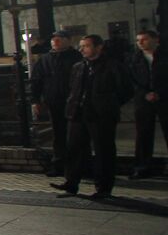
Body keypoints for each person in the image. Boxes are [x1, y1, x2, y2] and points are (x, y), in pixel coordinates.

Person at [53, 34, 134, 200]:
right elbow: (73, 88)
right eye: (81, 46)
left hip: (101, 115)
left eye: (86, 46)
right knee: (74, 148)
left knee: (103, 150)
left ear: (98, 47)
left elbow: (125, 89)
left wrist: (109, 103)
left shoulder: (112, 66)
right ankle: (71, 183)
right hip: (78, 113)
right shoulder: (78, 66)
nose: (82, 49)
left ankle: (103, 187)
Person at [30, 29, 79, 177]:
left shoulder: (76, 57)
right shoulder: (46, 59)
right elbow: (36, 80)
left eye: (59, 39)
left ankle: (78, 165)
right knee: (58, 133)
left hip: (73, 101)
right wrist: (36, 100)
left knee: (76, 134)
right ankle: (59, 164)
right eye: (53, 39)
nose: (55, 41)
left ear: (68, 40)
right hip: (54, 100)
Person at [129, 29, 168, 179]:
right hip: (143, 99)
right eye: (138, 40)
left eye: (144, 39)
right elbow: (131, 79)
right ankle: (142, 166)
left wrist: (160, 92)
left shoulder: (164, 56)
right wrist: (145, 93)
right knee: (143, 133)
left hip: (164, 98)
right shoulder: (134, 58)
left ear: (155, 40)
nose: (140, 43)